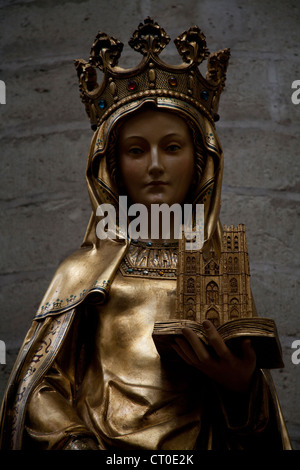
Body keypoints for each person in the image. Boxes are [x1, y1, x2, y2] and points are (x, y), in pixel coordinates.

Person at [0, 18, 291, 450]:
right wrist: (75, 442)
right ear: (113, 166)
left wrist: (239, 386)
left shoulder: (218, 275)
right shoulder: (83, 271)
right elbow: (38, 382)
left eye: (172, 148)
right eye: (136, 150)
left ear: (199, 161)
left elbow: (255, 432)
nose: (155, 165)